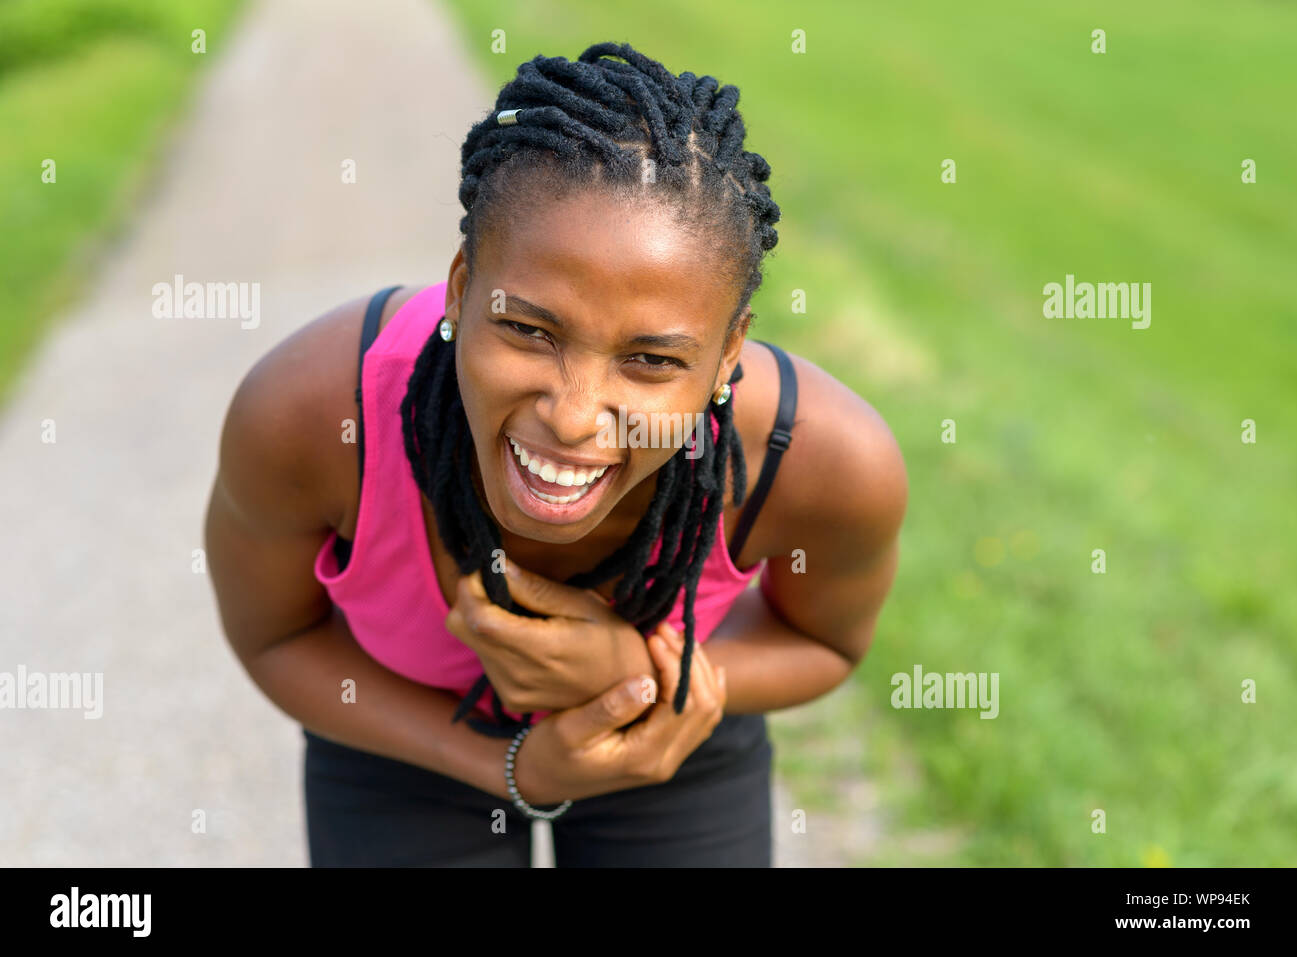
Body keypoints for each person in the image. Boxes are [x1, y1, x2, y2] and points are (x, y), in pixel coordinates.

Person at [203, 41, 907, 867]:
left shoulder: (822, 460)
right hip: (402, 735)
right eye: (530, 330)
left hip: (670, 732)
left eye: (650, 360)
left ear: (726, 356)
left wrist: (638, 674)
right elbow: (275, 639)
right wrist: (511, 767)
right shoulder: (310, 417)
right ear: (463, 287)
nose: (573, 418)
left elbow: (827, 644)